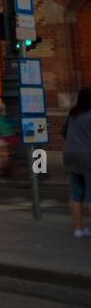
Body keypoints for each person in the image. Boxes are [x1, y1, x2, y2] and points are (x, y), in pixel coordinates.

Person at [63, 88, 91, 238]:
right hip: (88, 157)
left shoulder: (72, 114)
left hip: (70, 156)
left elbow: (64, 133)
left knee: (76, 194)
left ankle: (78, 229)